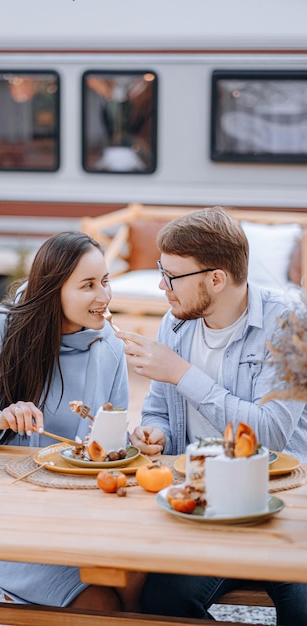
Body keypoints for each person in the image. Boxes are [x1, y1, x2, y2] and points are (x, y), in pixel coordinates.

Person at [0, 231, 139, 612]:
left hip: (84, 519)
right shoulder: (2, 331)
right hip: (9, 521)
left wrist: (137, 439)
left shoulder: (111, 347)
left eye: (105, 282)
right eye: (88, 285)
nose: (103, 297)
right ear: (53, 291)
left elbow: (110, 439)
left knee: (143, 583)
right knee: (102, 606)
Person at [115, 207, 307, 624]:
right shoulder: (176, 323)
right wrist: (156, 433)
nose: (161, 286)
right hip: (206, 501)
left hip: (283, 502)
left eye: (171, 276)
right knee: (161, 600)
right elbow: (158, 409)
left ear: (216, 279)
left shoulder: (290, 324)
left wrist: (183, 374)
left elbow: (272, 433)